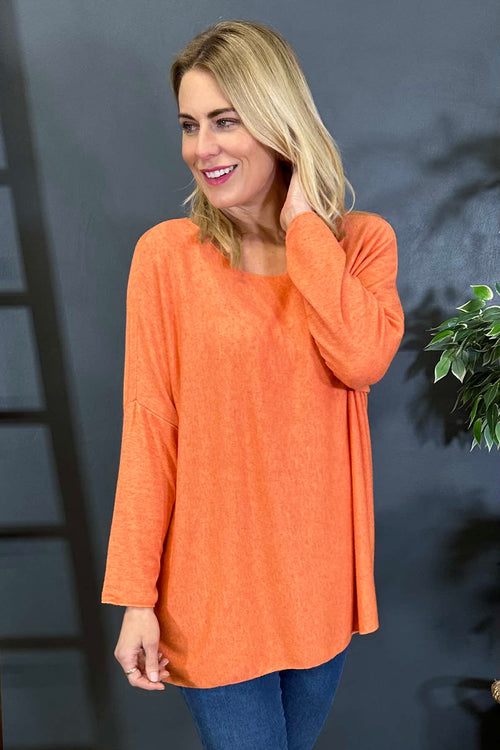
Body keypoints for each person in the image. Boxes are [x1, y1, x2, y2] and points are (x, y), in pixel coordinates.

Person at [101, 18, 405, 749]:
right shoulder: (167, 258)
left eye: (226, 121)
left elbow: (362, 359)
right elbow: (149, 428)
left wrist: (304, 228)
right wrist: (136, 599)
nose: (202, 148)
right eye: (190, 125)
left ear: (279, 121)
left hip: (318, 590)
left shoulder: (359, 244)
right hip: (213, 596)